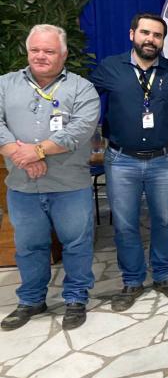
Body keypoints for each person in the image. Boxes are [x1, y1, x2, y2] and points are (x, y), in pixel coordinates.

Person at [0, 25, 99, 330]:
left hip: (70, 185)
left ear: (63, 54)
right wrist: (22, 156)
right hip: (22, 185)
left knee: (77, 244)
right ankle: (31, 299)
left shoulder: (82, 88)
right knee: (29, 246)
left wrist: (38, 151)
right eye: (35, 50)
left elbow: (80, 130)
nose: (40, 56)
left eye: (49, 51)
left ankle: (76, 298)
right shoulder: (5, 84)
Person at [90, 13, 168, 311]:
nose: (151, 39)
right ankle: (132, 280)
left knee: (164, 221)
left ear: (163, 41)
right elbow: (82, 101)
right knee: (125, 225)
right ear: (132, 34)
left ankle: (163, 275)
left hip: (164, 160)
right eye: (145, 33)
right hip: (121, 161)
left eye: (157, 35)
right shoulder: (110, 68)